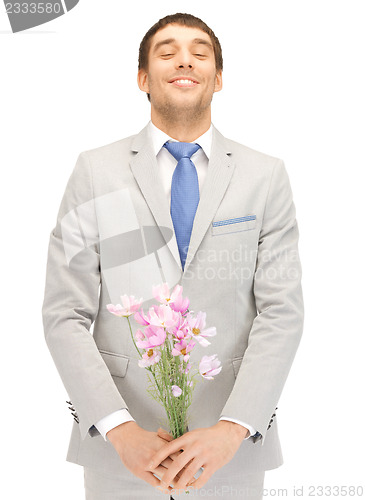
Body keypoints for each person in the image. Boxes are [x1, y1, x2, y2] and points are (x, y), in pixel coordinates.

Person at [42, 12, 304, 500]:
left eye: (200, 53)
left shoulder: (265, 177)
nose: (184, 59)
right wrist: (120, 431)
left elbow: (282, 312)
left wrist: (232, 430)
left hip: (230, 453)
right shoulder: (94, 172)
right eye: (166, 52)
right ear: (143, 78)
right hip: (122, 454)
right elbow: (64, 313)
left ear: (218, 78)